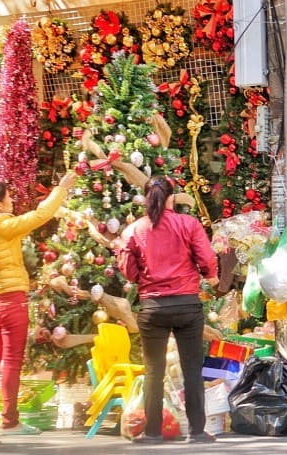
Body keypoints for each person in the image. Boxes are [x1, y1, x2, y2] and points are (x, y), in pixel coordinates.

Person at [117, 176, 218, 444]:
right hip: (186, 304)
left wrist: (144, 278)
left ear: (146, 198)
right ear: (171, 197)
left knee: (153, 370)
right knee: (192, 369)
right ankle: (196, 431)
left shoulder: (134, 229)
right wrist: (211, 275)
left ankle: (152, 433)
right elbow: (207, 259)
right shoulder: (189, 224)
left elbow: (128, 271)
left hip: (152, 307)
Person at [0, 171, 77, 435]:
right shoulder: (2, 224)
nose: (12, 203)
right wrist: (61, 189)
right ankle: (9, 422)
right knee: (11, 361)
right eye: (9, 199)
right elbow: (40, 216)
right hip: (10, 301)